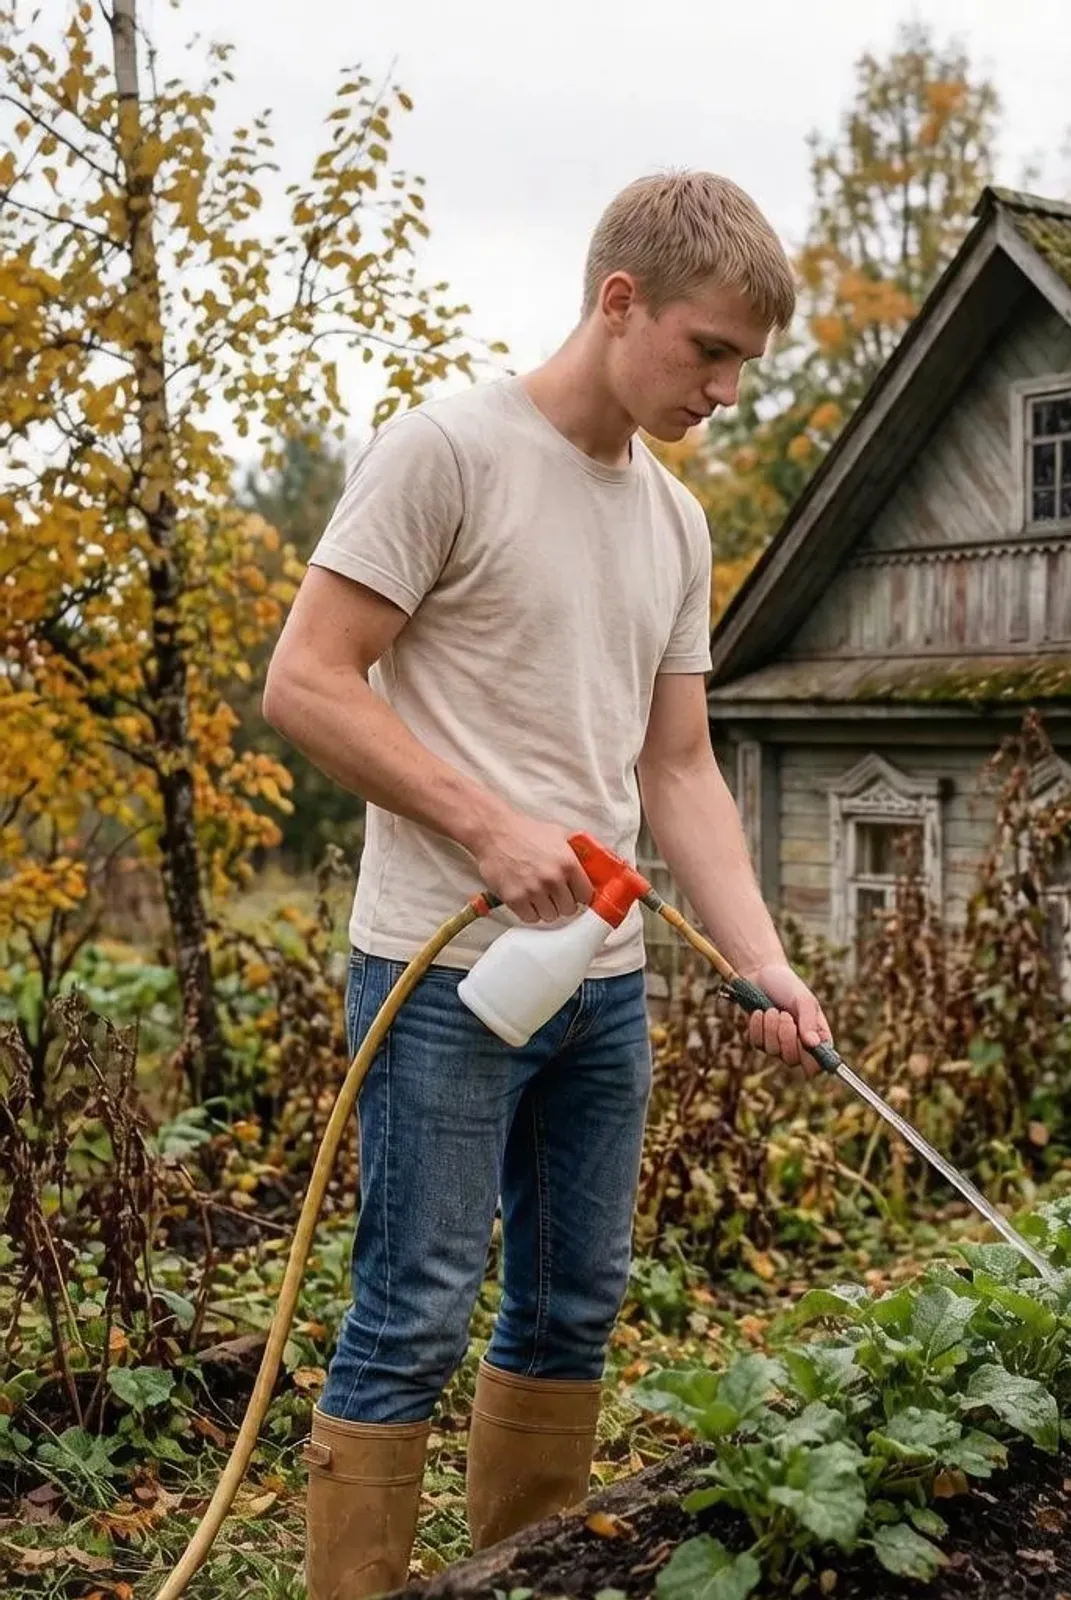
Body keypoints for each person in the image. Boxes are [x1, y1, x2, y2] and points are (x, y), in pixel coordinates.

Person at [262, 169, 833, 1600]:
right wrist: (487, 826)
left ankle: (513, 1581)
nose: (725, 392)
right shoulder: (446, 453)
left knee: (573, 1308)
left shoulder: (677, 524)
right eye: (710, 352)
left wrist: (761, 959)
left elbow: (680, 767)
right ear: (619, 300)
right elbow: (307, 682)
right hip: (440, 976)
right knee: (413, 1315)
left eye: (745, 367)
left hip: (605, 990)